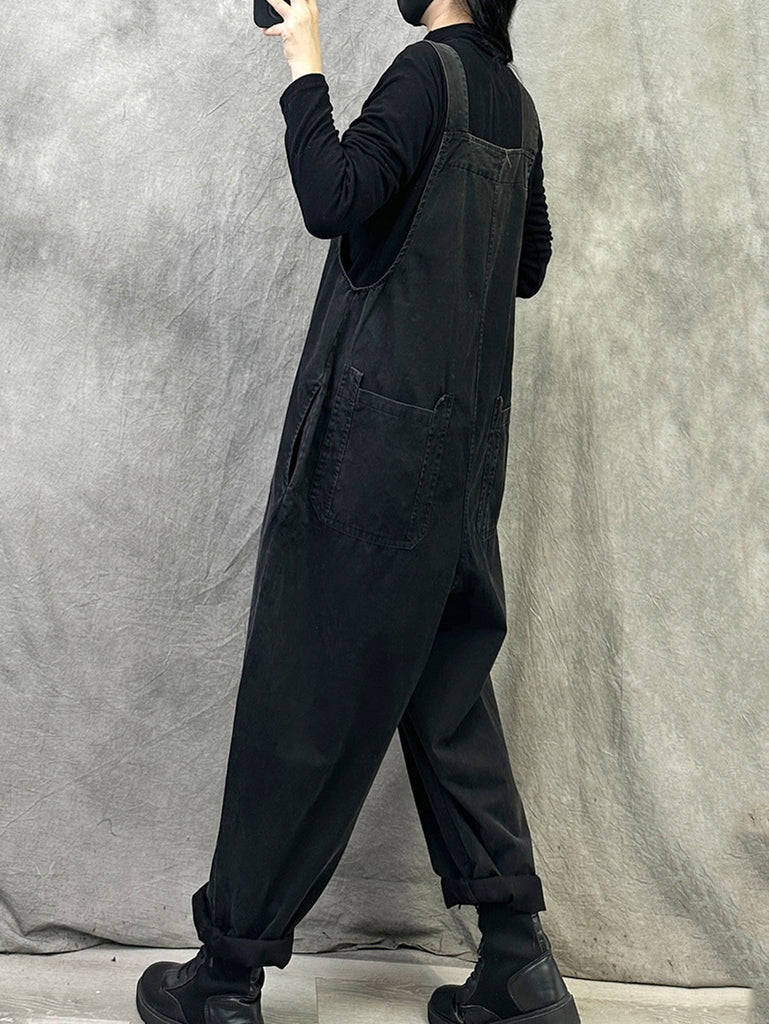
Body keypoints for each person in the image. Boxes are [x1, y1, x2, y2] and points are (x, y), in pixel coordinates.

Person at [136, 1, 581, 1022]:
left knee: (304, 693)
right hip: (462, 461)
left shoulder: (425, 74)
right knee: (446, 695)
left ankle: (226, 978)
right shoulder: (513, 101)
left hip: (372, 458)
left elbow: (330, 198)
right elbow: (525, 265)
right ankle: (518, 963)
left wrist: (303, 61)